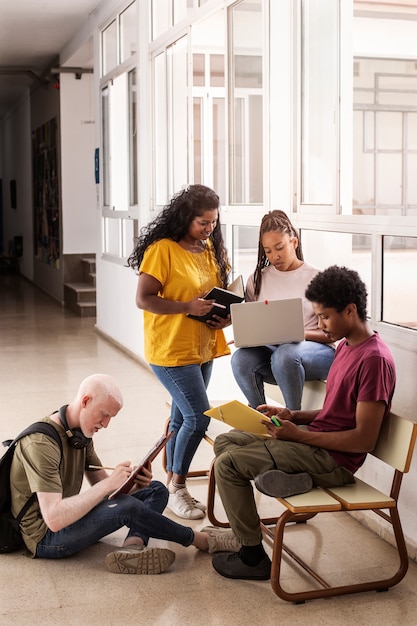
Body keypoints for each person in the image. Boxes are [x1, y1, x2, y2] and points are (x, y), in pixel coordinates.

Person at [211, 266, 396, 581]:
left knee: (228, 465)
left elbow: (363, 440)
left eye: (324, 317)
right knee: (226, 441)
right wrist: (292, 415)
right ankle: (296, 477)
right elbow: (335, 413)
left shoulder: (374, 361)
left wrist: (298, 436)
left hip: (334, 461)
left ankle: (252, 556)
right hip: (315, 442)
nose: (319, 325)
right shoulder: (347, 347)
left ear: (350, 311)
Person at [10, 374, 241, 574]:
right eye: (104, 415)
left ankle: (133, 546)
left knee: (156, 489)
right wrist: (111, 484)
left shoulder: (79, 433)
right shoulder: (41, 444)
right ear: (86, 401)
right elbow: (55, 518)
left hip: (68, 518)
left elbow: (105, 489)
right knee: (127, 508)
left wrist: (135, 485)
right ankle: (202, 540)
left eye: (111, 417)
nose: (106, 424)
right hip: (45, 538)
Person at [127, 184, 232, 520]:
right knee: (198, 416)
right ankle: (177, 486)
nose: (209, 229)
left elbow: (210, 297)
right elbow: (144, 299)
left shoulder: (208, 250)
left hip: (201, 346)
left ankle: (171, 480)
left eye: (214, 223)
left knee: (179, 416)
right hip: (170, 350)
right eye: (203, 222)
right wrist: (187, 306)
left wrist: (222, 315)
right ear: (186, 217)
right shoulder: (163, 250)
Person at [231, 210, 335, 410]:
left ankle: (292, 419)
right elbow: (254, 323)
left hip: (317, 353)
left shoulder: (317, 278)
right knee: (241, 358)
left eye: (279, 248)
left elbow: (331, 335)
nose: (274, 256)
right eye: (268, 251)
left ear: (294, 243)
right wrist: (246, 335)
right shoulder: (257, 279)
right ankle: (259, 414)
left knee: (286, 354)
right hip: (276, 354)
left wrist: (296, 335)